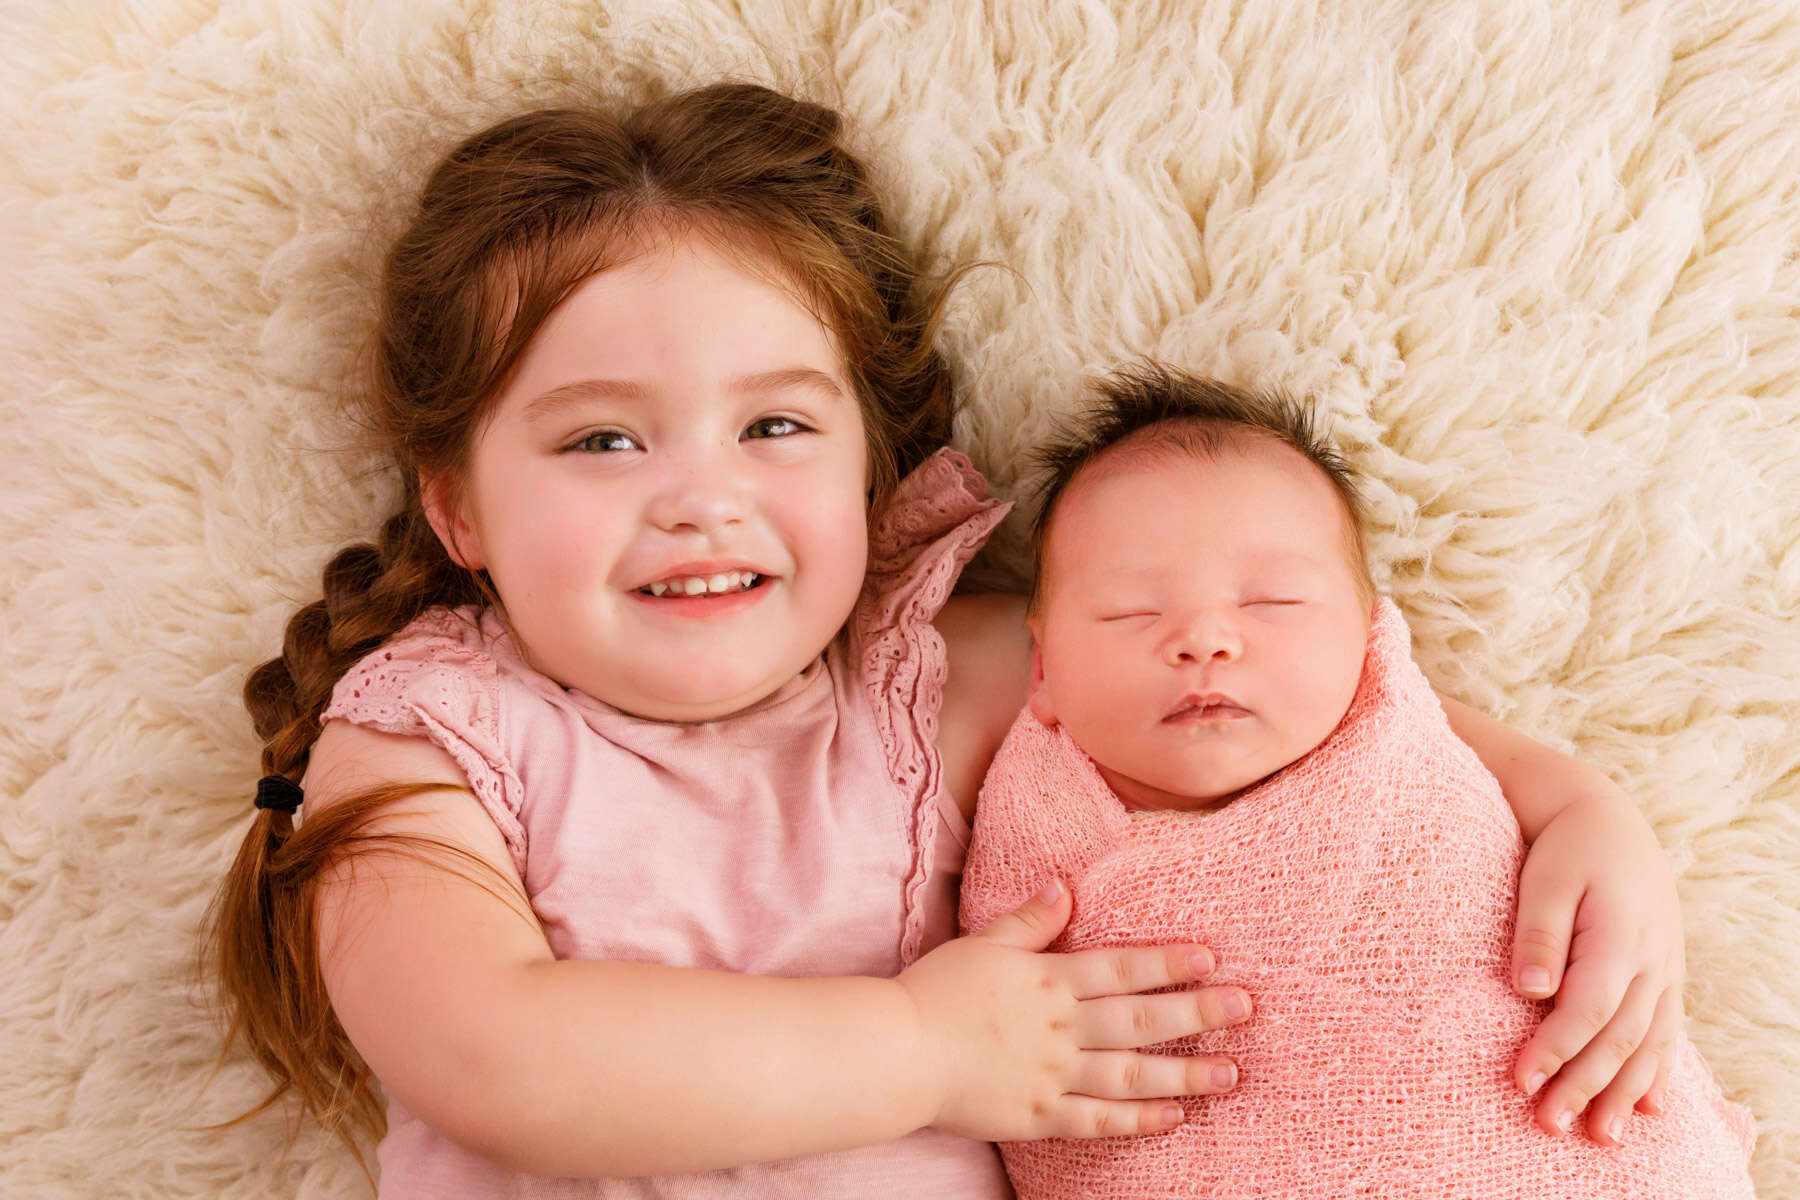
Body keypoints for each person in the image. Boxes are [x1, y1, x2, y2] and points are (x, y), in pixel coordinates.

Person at [206, 84, 1689, 1197]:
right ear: (460, 506)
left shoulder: (945, 676)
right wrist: (927, 1052)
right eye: (600, 439)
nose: (700, 503)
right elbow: (495, 1057)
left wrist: (1586, 818)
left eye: (775, 424)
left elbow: (1322, 719)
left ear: (869, 463)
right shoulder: (427, 739)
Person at [959, 364, 1756, 1198]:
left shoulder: (1391, 715)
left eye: (1271, 602)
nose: (1203, 639)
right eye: (1130, 610)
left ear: (1369, 634)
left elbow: (1574, 801)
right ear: (1043, 666)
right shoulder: (1024, 797)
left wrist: (1613, 834)